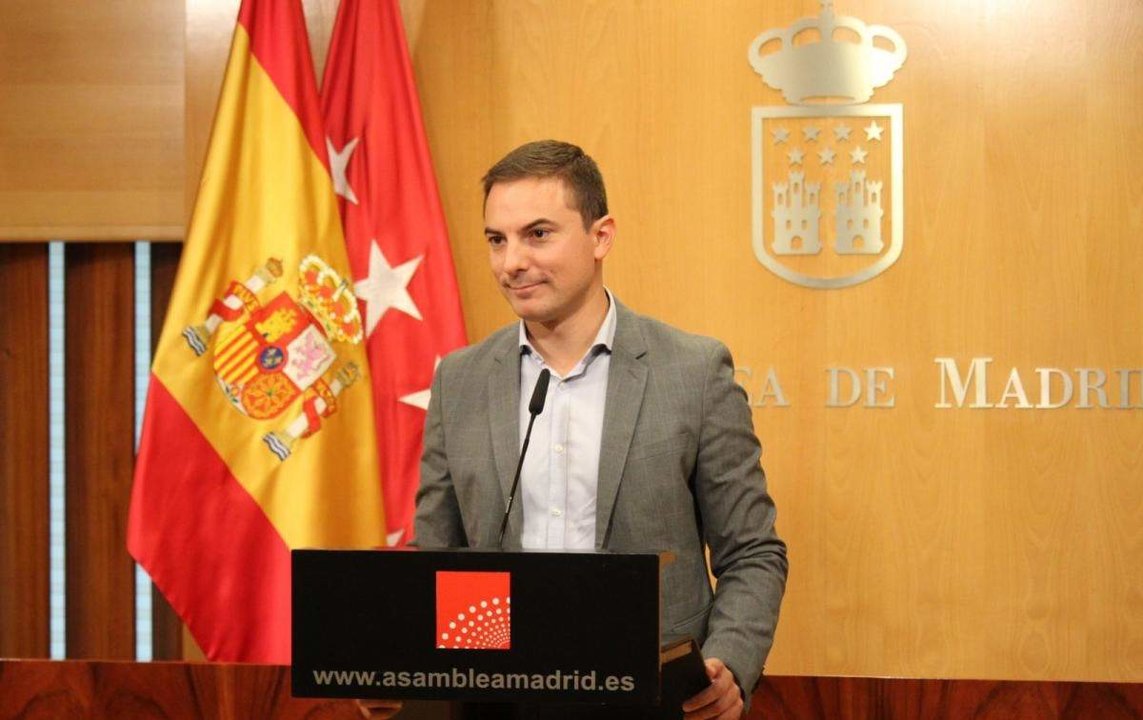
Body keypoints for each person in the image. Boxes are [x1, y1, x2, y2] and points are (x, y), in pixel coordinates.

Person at [405, 140, 787, 720]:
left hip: (656, 701)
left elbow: (753, 551)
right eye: (496, 240)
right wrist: (397, 669)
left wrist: (729, 664)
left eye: (538, 234)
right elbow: (435, 558)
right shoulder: (459, 381)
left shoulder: (693, 371)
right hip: (496, 699)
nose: (511, 262)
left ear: (601, 236)